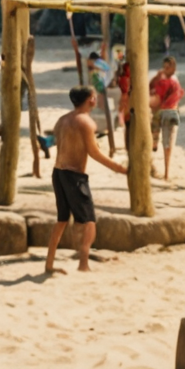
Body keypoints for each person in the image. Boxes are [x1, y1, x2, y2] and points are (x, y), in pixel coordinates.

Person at [44, 87, 128, 274]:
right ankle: (83, 265)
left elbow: (66, 144)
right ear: (89, 99)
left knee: (62, 220)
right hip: (74, 176)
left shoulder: (62, 120)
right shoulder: (86, 122)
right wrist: (119, 168)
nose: (96, 99)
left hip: (58, 173)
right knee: (89, 220)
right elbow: (94, 153)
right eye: (94, 96)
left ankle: (49, 265)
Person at [150, 57, 185, 180]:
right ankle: (166, 173)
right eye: (164, 67)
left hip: (164, 111)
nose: (165, 70)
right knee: (168, 143)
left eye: (167, 67)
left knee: (163, 141)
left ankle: (165, 171)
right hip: (171, 111)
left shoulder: (162, 81)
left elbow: (154, 97)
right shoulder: (174, 81)